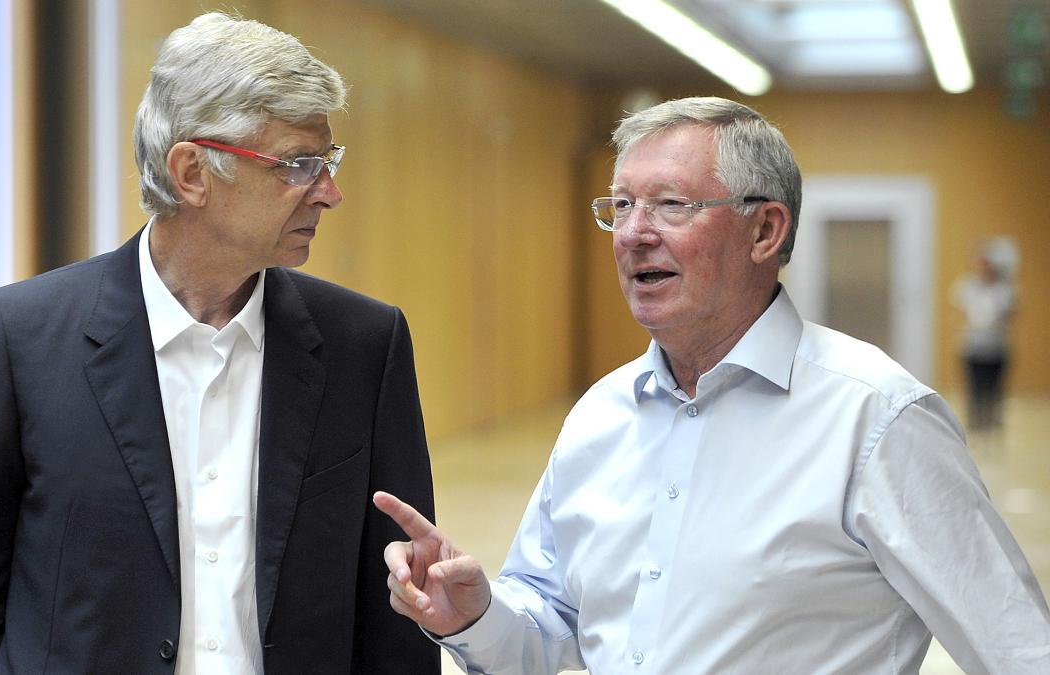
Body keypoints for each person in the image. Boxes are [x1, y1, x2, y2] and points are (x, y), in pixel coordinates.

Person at [375, 97, 1050, 673]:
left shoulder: (875, 417)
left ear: (765, 229)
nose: (633, 234)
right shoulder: (598, 416)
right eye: (621, 205)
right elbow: (551, 623)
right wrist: (476, 615)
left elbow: (1020, 647)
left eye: (671, 205)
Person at [0, 13, 437, 674]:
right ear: (192, 172)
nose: (329, 193)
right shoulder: (19, 340)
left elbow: (397, 619)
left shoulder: (366, 346)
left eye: (327, 162)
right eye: (300, 165)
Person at [952, 238, 1018, 434]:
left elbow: (1013, 314)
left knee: (994, 389)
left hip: (997, 347)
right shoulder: (966, 286)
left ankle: (992, 426)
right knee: (975, 388)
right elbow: (958, 312)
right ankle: (976, 426)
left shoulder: (1005, 289)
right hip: (973, 346)